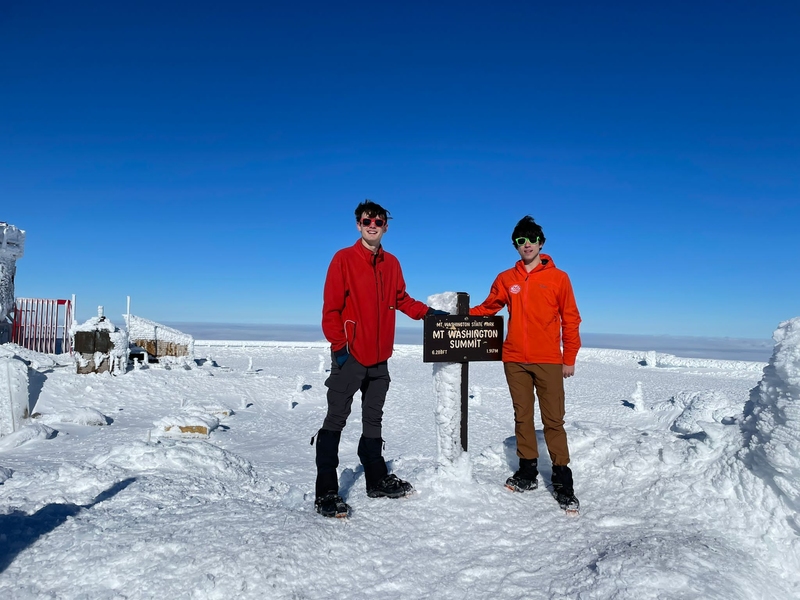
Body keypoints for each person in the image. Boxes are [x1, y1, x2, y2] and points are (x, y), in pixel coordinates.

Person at [314, 200, 447, 518]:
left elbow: (400, 298)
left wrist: (428, 314)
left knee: (374, 420)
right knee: (336, 420)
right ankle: (326, 492)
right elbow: (331, 309)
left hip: (380, 358)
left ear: (386, 226)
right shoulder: (343, 259)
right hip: (351, 357)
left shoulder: (392, 263)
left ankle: (376, 480)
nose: (372, 224)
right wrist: (341, 349)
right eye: (366, 220)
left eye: (378, 220)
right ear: (358, 225)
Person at [470, 215, 582, 513]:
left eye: (532, 239)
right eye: (521, 240)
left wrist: (568, 357)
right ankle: (527, 471)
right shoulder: (507, 278)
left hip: (548, 360)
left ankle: (562, 478)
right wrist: (462, 315)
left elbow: (571, 319)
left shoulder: (559, 278)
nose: (527, 244)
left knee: (553, 420)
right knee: (523, 417)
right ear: (515, 246)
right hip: (515, 360)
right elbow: (489, 306)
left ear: (541, 243)